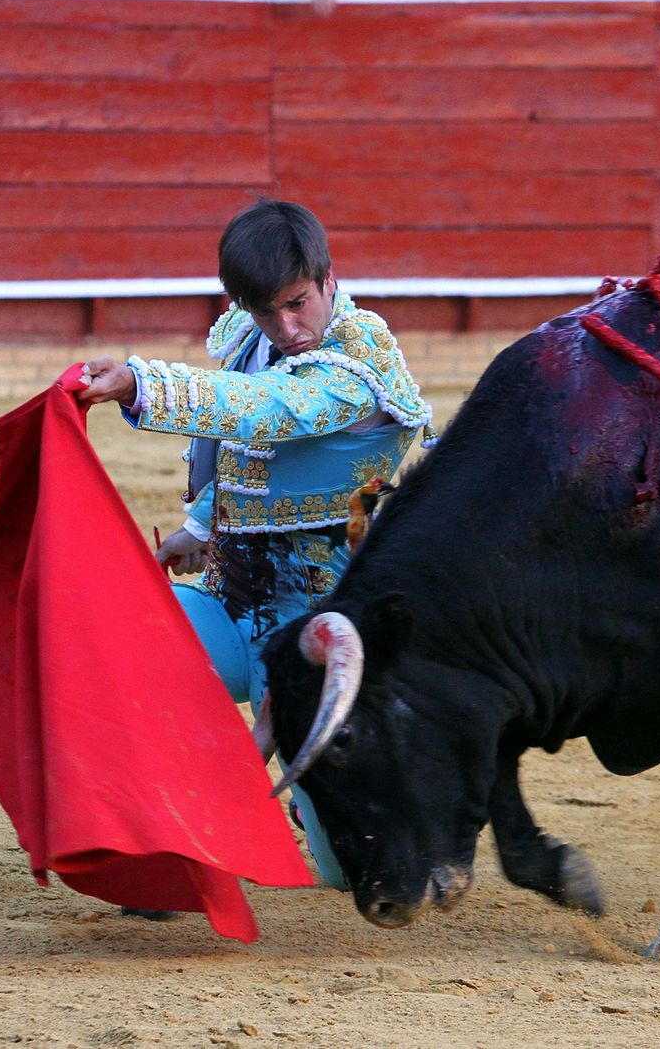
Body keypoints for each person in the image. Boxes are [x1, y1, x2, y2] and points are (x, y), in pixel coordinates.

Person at [77, 199, 435, 891]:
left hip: (318, 647)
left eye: (298, 304)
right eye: (267, 312)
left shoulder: (358, 362)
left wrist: (141, 382)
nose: (288, 328)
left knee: (354, 872)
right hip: (235, 607)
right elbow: (253, 449)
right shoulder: (255, 336)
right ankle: (154, 844)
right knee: (114, 645)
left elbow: (270, 409)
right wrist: (202, 528)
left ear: (328, 278)